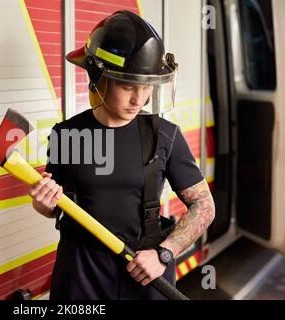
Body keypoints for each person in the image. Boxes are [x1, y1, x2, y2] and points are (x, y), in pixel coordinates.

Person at [29, 10, 215, 300]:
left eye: (147, 87)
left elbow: (204, 205)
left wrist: (164, 254)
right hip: (81, 273)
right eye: (128, 86)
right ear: (99, 77)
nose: (138, 99)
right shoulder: (67, 134)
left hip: (145, 270)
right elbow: (55, 206)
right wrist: (42, 203)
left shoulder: (165, 135)